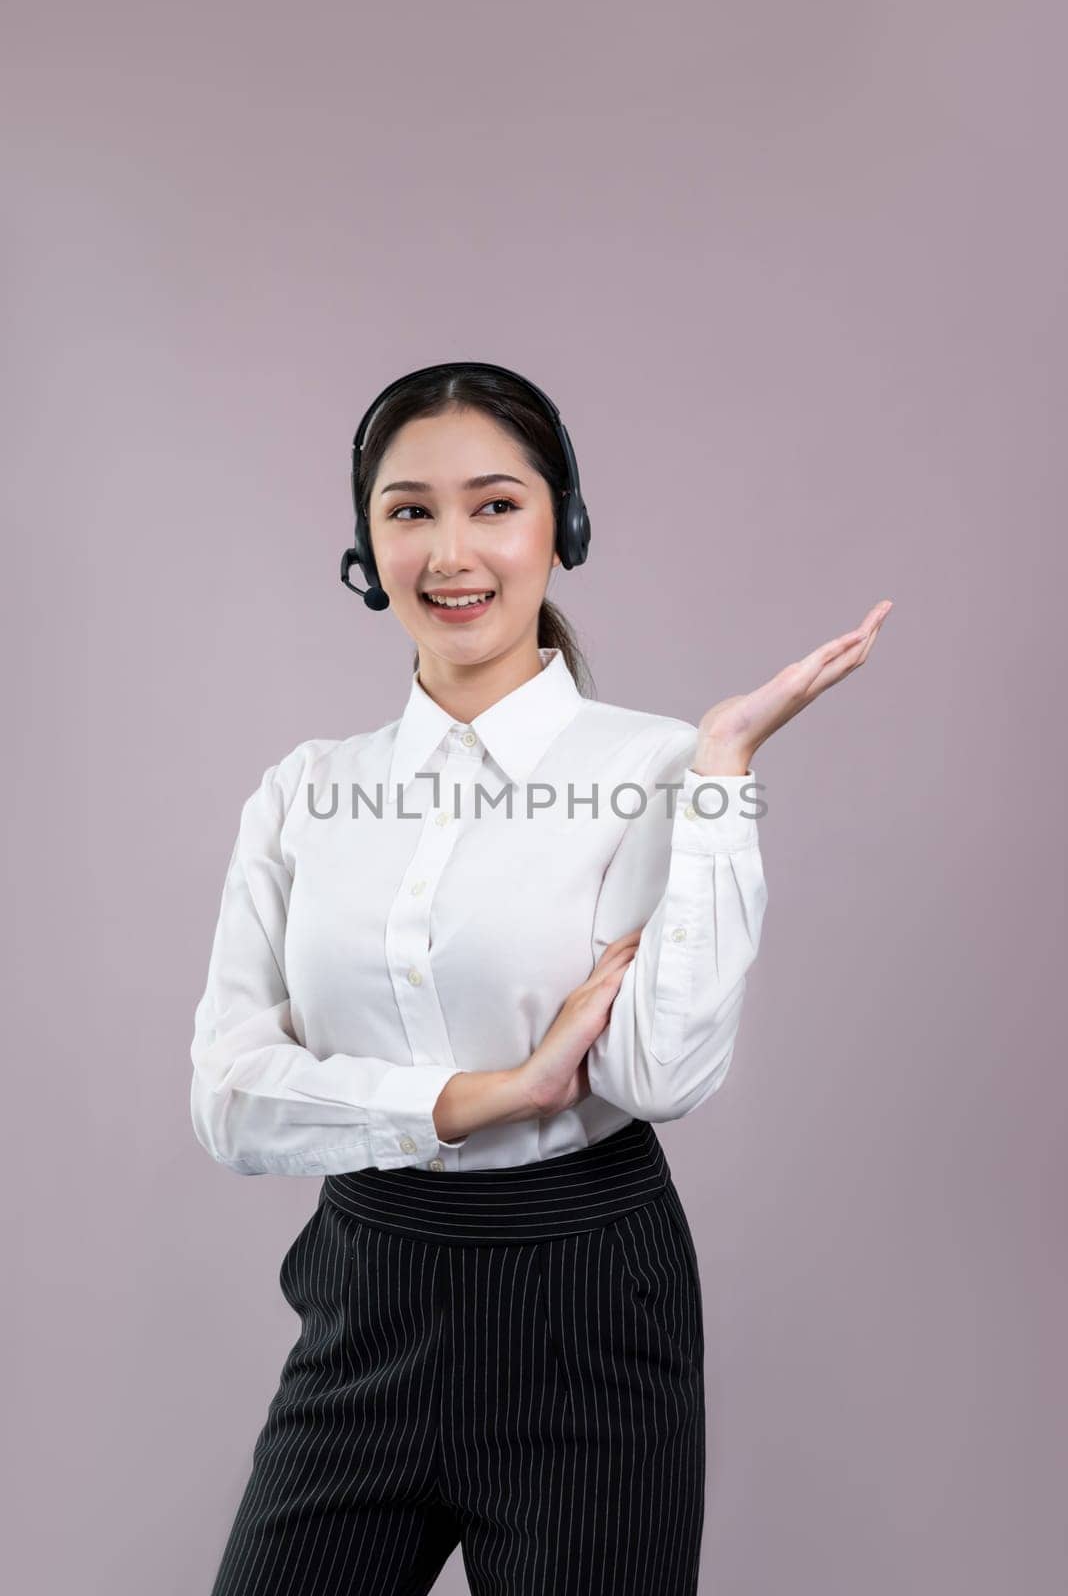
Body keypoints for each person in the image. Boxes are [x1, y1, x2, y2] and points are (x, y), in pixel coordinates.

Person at [190, 361, 891, 1595]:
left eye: (495, 505)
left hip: (589, 1313)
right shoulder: (306, 788)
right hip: (366, 1295)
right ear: (367, 545)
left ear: (559, 528)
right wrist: (489, 1093)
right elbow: (231, 1101)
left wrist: (720, 770)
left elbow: (658, 1072)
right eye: (410, 510)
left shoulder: (658, 767)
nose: (452, 551)